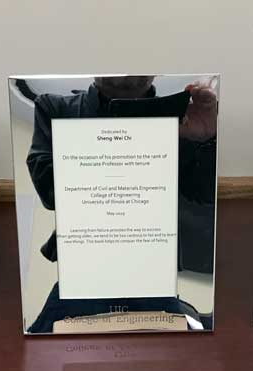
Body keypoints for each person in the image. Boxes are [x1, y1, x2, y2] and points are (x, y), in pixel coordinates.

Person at [24, 76, 218, 333]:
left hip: (150, 276)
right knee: (37, 362)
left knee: (186, 363)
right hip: (84, 276)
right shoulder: (57, 109)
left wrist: (208, 138)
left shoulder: (181, 116)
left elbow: (204, 193)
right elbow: (49, 190)